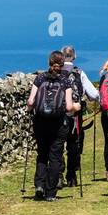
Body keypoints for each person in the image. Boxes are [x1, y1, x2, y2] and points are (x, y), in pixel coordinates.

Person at [26, 50, 80, 201]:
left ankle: (39, 186)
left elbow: (30, 102)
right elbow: (69, 107)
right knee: (55, 156)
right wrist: (77, 107)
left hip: (40, 122)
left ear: (49, 62)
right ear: (62, 64)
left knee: (42, 153)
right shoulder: (65, 80)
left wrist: (30, 109)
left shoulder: (40, 78)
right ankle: (50, 193)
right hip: (59, 123)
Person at [60, 45, 99, 187]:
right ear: (74, 57)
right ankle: (71, 176)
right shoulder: (79, 73)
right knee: (73, 145)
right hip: (75, 115)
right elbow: (94, 94)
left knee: (57, 145)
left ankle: (57, 174)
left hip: (57, 114)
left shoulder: (56, 71)